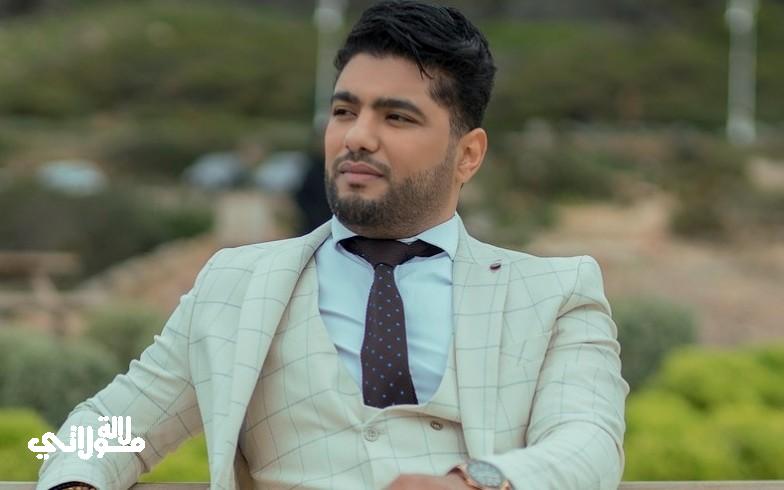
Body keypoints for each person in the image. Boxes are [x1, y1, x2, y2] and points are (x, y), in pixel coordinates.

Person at [37, 2, 628, 489]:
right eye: (344, 111)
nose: (357, 137)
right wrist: (75, 482)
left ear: (468, 154)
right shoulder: (236, 286)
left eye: (396, 118)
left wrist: (474, 483)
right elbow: (110, 428)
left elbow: (589, 442)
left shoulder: (553, 292)